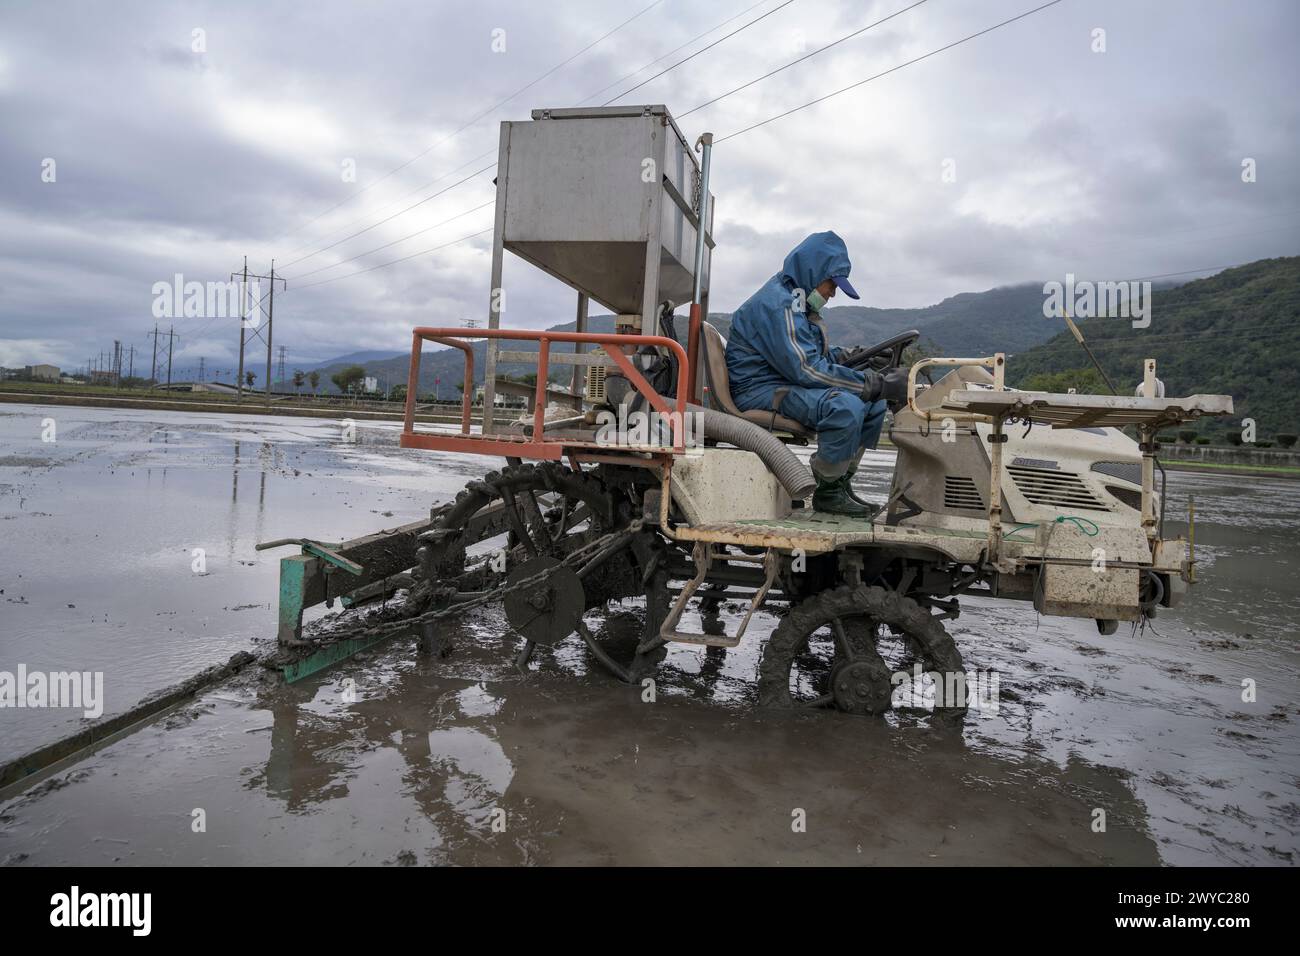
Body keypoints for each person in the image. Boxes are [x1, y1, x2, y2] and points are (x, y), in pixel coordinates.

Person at [724, 231, 906, 516]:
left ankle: (839, 484)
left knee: (874, 404)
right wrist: (872, 383)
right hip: (760, 391)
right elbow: (806, 369)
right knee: (845, 406)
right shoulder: (778, 305)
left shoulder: (797, 303)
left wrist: (855, 355)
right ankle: (827, 492)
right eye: (831, 285)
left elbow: (812, 356)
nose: (832, 294)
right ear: (813, 272)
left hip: (783, 382)